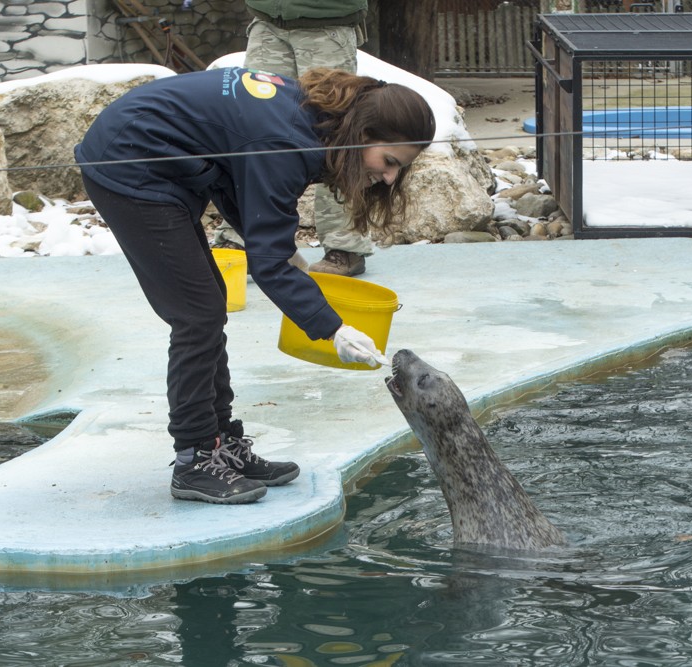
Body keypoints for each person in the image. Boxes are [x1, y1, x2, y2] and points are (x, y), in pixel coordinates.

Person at [75, 67, 436, 504]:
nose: (391, 177)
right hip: (130, 165)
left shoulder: (317, 120)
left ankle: (219, 443)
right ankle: (194, 460)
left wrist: (291, 257)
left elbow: (242, 185)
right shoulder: (287, 141)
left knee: (208, 306)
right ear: (363, 132)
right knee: (197, 313)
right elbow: (266, 263)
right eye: (390, 162)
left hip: (163, 159)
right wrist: (332, 327)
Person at [211, 0, 372, 277]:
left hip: (327, 22)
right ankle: (240, 237)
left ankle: (345, 245)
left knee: (335, 132)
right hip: (267, 21)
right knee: (253, 130)